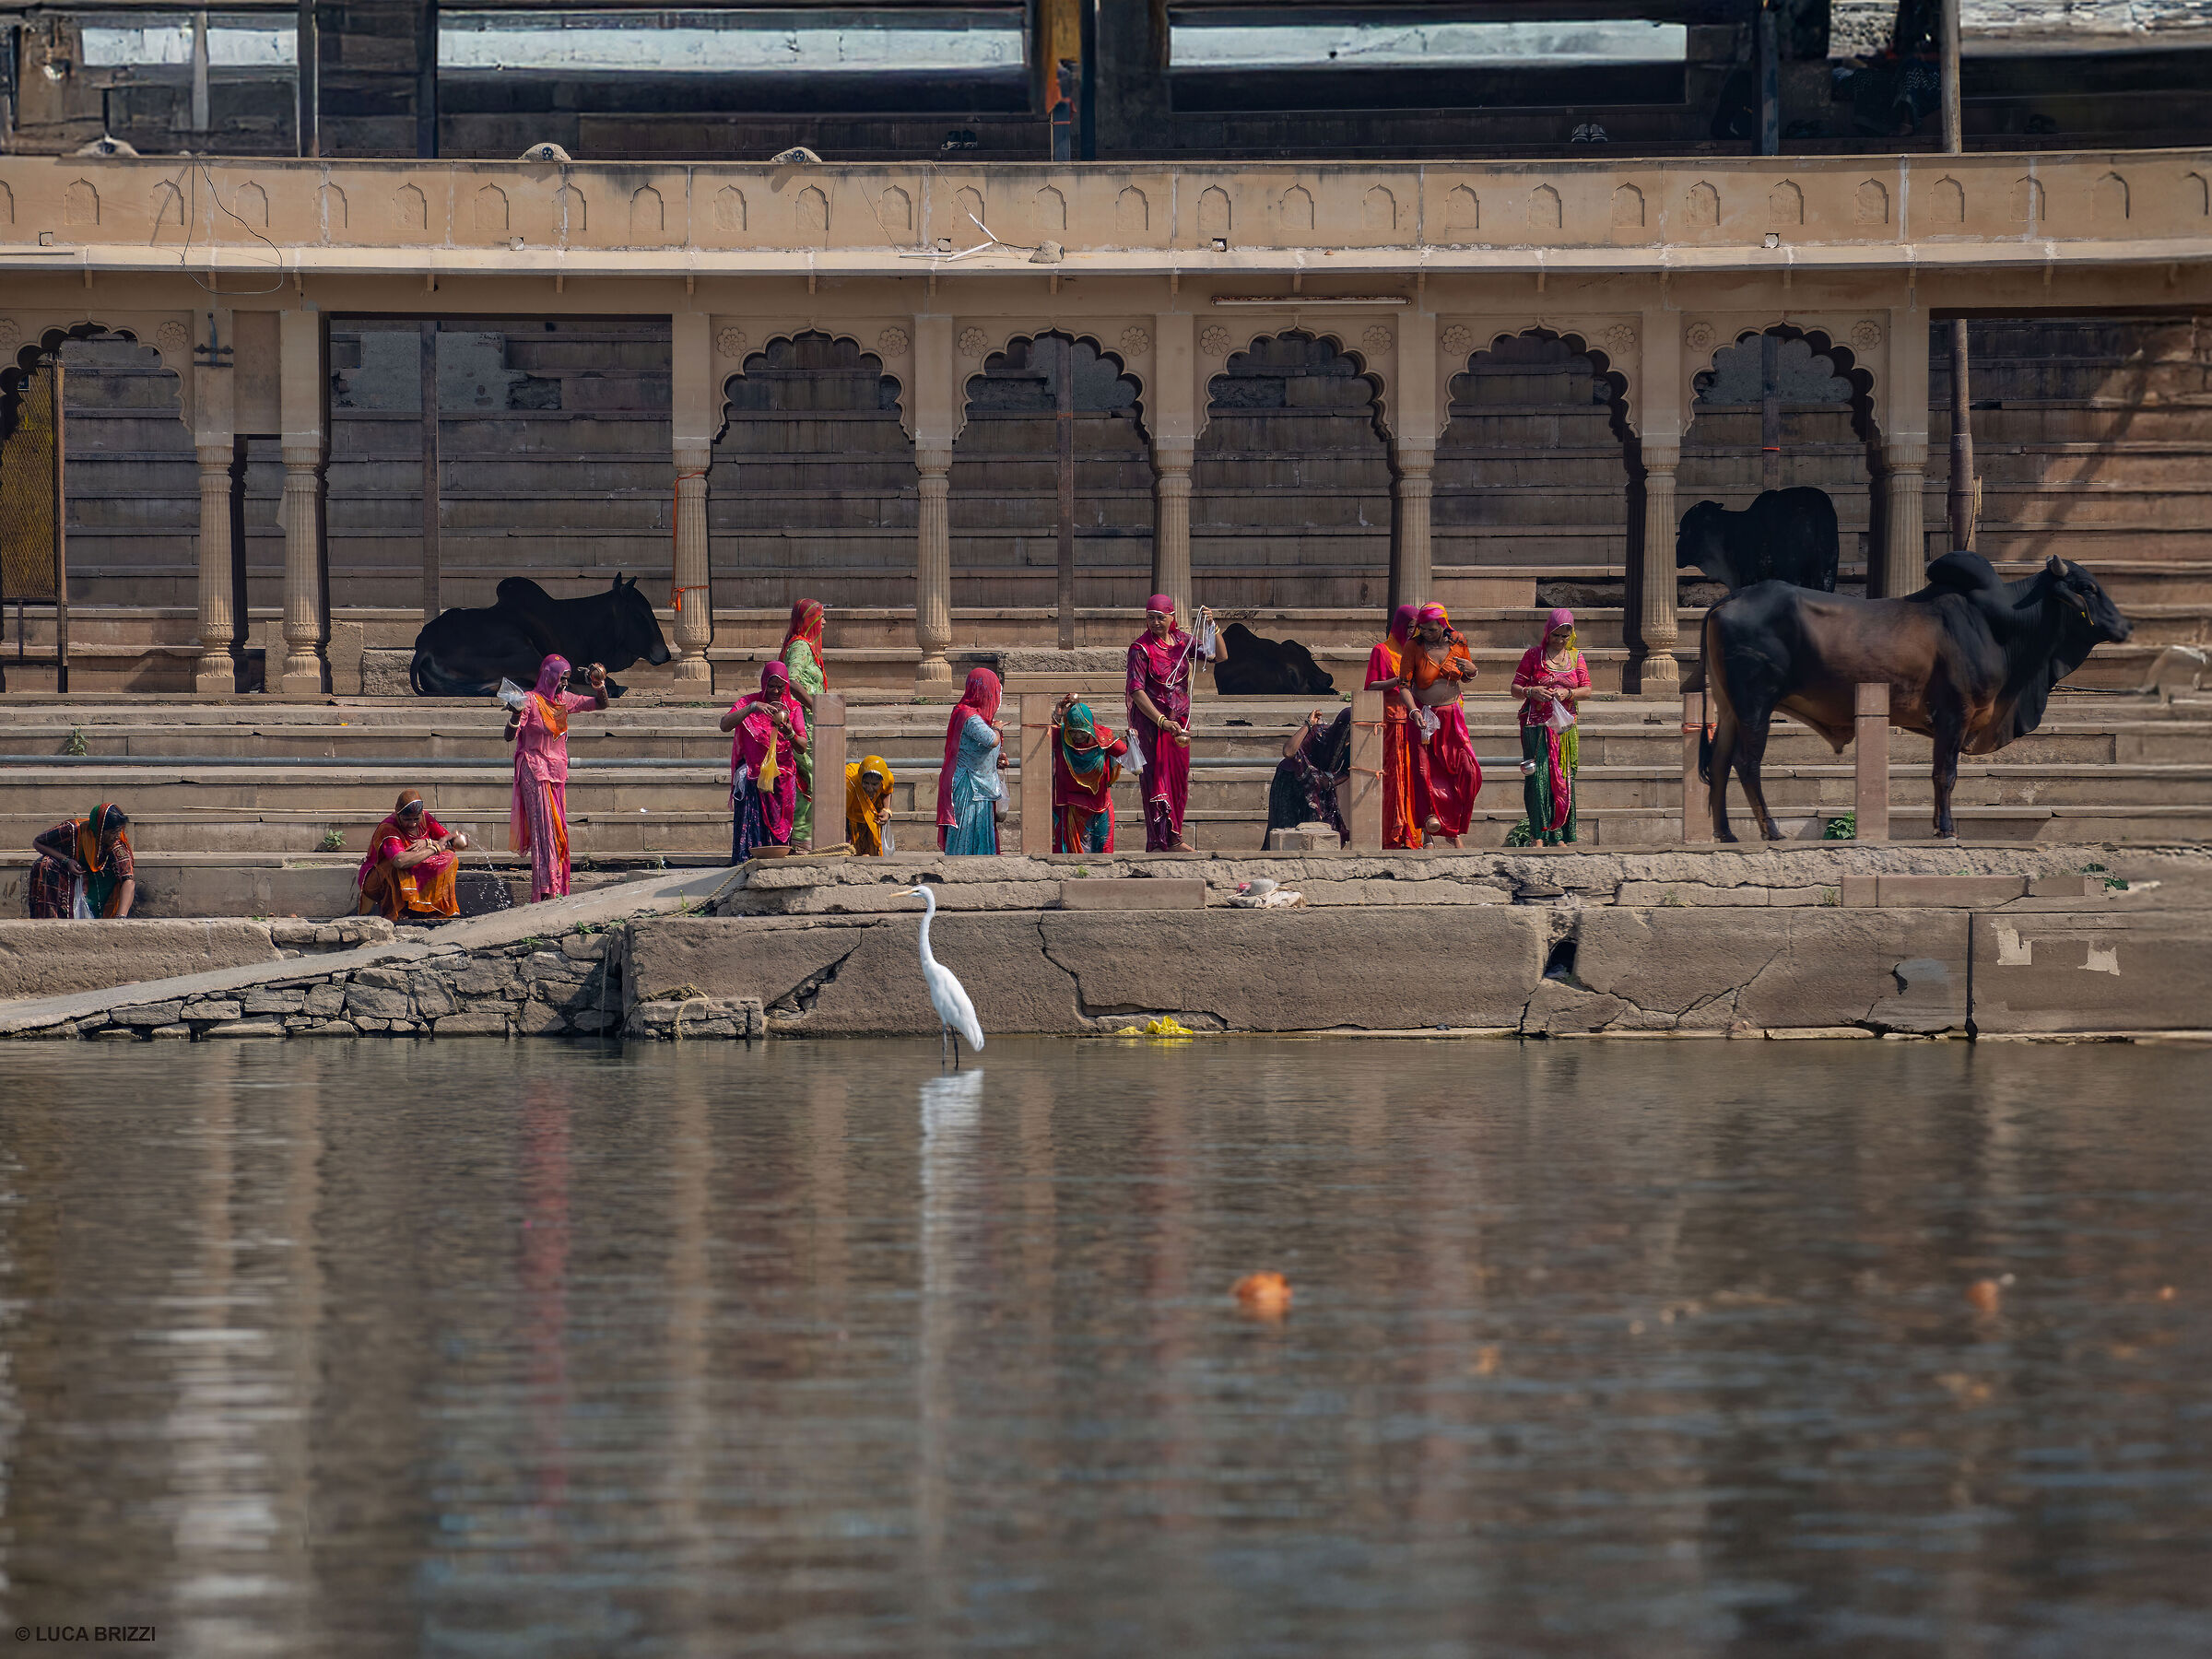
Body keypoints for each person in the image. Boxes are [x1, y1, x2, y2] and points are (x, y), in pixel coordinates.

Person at [506, 653, 607, 902]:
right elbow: (509, 736)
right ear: (549, 676)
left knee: (558, 831)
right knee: (544, 831)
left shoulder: (565, 700)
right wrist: (516, 714)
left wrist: (599, 684)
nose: (564, 683)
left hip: (556, 772)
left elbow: (600, 704)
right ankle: (545, 889)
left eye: (567, 679)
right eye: (562, 678)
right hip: (534, 770)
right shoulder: (530, 700)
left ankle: (557, 885)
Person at [1125, 594, 1222, 853]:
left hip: (1179, 724)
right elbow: (1136, 690)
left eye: (1160, 618)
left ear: (1172, 617)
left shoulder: (1182, 642)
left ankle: (1175, 838)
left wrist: (1212, 627)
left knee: (1178, 781)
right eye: (1151, 618)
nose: (1155, 623)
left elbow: (1218, 656)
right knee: (1155, 781)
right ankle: (1157, 842)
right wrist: (1161, 721)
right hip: (1152, 724)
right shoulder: (1141, 649)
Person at [1401, 603, 1482, 847]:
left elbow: (1467, 676)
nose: (1427, 633)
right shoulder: (1414, 646)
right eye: (1423, 629)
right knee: (1424, 772)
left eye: (1432, 629)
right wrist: (1413, 710)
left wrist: (1473, 671)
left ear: (1443, 625)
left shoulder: (1458, 641)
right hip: (1423, 718)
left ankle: (1452, 828)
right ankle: (1428, 831)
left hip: (1452, 718)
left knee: (1467, 771)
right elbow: (1404, 686)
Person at [1514, 606, 1592, 846]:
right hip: (1536, 725)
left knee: (1564, 779)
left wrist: (1568, 693)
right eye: (1556, 635)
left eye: (1565, 636)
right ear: (1547, 632)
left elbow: (1587, 689)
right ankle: (1538, 835)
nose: (1559, 640)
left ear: (1571, 635)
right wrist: (1531, 691)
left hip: (1564, 728)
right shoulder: (1533, 655)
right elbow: (1515, 688)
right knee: (1538, 778)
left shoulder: (1576, 657)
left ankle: (1560, 835)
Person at [723, 659, 809, 860]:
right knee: (751, 825)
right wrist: (752, 708)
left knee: (779, 830)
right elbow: (725, 725)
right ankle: (746, 862)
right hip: (753, 775)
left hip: (782, 776)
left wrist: (789, 733)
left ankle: (776, 861)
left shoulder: (793, 708)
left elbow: (802, 746)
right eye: (771, 686)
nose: (776, 691)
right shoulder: (748, 702)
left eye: (780, 686)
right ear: (764, 683)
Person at [1364, 604, 1427, 849]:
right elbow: (1370, 686)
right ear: (1400, 625)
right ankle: (1393, 834)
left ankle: (1413, 834)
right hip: (1391, 722)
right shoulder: (1381, 651)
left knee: (1413, 776)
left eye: (1416, 628)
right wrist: (1397, 681)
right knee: (1395, 778)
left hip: (1415, 721)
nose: (1412, 632)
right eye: (1409, 627)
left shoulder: (1417, 650)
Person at [357, 789, 468, 922]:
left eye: (416, 818)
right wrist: (435, 848)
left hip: (414, 865)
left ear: (421, 814)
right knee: (394, 867)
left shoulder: (426, 818)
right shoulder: (388, 828)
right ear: (397, 814)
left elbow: (451, 842)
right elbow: (400, 861)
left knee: (450, 858)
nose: (413, 824)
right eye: (407, 819)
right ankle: (399, 909)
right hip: (378, 879)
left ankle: (433, 908)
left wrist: (428, 842)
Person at [935, 666, 1007, 854]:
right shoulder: (968, 716)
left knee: (981, 837)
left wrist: (996, 759)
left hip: (981, 786)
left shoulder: (975, 716)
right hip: (969, 788)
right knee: (966, 837)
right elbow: (991, 740)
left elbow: (978, 748)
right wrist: (998, 728)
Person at [1051, 695, 1131, 853]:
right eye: (1074, 732)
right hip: (1070, 805)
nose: (1077, 736)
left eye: (1082, 732)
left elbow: (1126, 755)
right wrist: (1057, 716)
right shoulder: (1062, 737)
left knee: (1102, 850)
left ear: (1090, 727)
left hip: (1099, 804)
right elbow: (1041, 738)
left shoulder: (1104, 739)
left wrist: (1132, 739)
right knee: (1068, 854)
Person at [26, 803, 135, 918]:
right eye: (113, 832)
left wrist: (120, 918)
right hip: (68, 878)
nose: (117, 835)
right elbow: (38, 842)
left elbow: (128, 879)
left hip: (97, 886)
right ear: (100, 830)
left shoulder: (116, 844)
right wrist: (66, 860)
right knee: (44, 864)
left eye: (120, 830)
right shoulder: (72, 830)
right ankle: (49, 920)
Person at [1265, 706, 1352, 847]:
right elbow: (1288, 752)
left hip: (1316, 789)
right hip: (1290, 782)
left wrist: (1330, 782)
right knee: (1288, 830)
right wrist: (1308, 724)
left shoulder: (1351, 746)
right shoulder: (1319, 733)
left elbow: (1347, 771)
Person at [779, 598, 828, 845]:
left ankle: (805, 836)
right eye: (821, 618)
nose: (824, 622)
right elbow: (791, 680)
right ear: (810, 621)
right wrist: (815, 706)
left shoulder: (807, 647)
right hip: (803, 724)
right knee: (807, 777)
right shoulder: (800, 646)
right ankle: (799, 837)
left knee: (812, 776)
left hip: (811, 724)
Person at [845, 754, 896, 855]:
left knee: (873, 851)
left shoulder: (888, 779)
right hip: (852, 813)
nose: (869, 788)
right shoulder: (850, 784)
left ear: (882, 782)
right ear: (860, 779)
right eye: (866, 783)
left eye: (874, 784)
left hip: (873, 811)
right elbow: (840, 813)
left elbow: (887, 792)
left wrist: (887, 810)